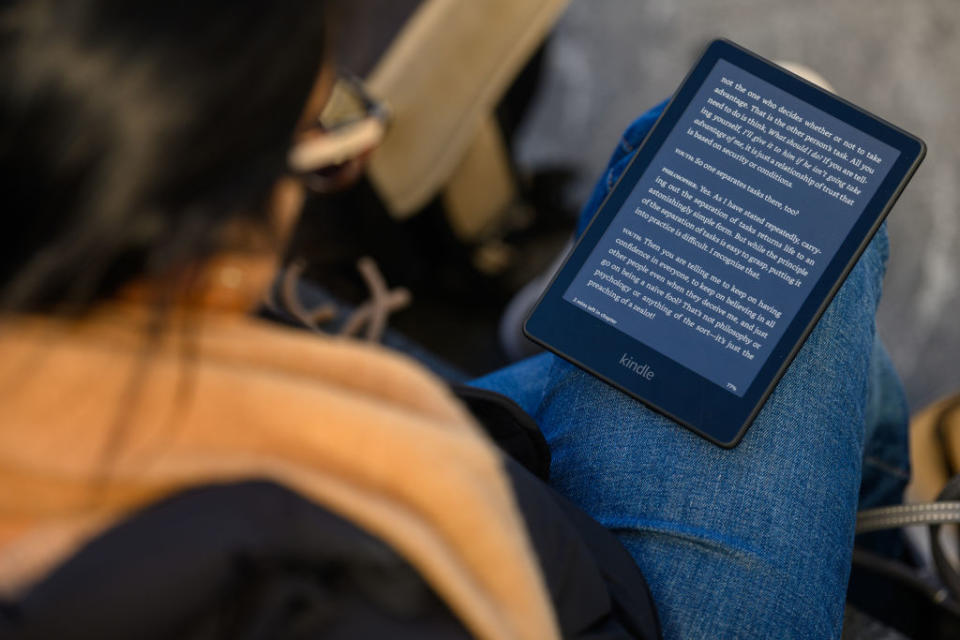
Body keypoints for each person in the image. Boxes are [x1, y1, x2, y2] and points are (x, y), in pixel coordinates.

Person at [0, 1, 910, 639]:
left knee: (713, 233)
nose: (344, 171)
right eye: (320, 145)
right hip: (623, 607)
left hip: (492, 482)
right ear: (204, 228)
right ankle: (877, 570)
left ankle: (860, 541)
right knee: (786, 133)